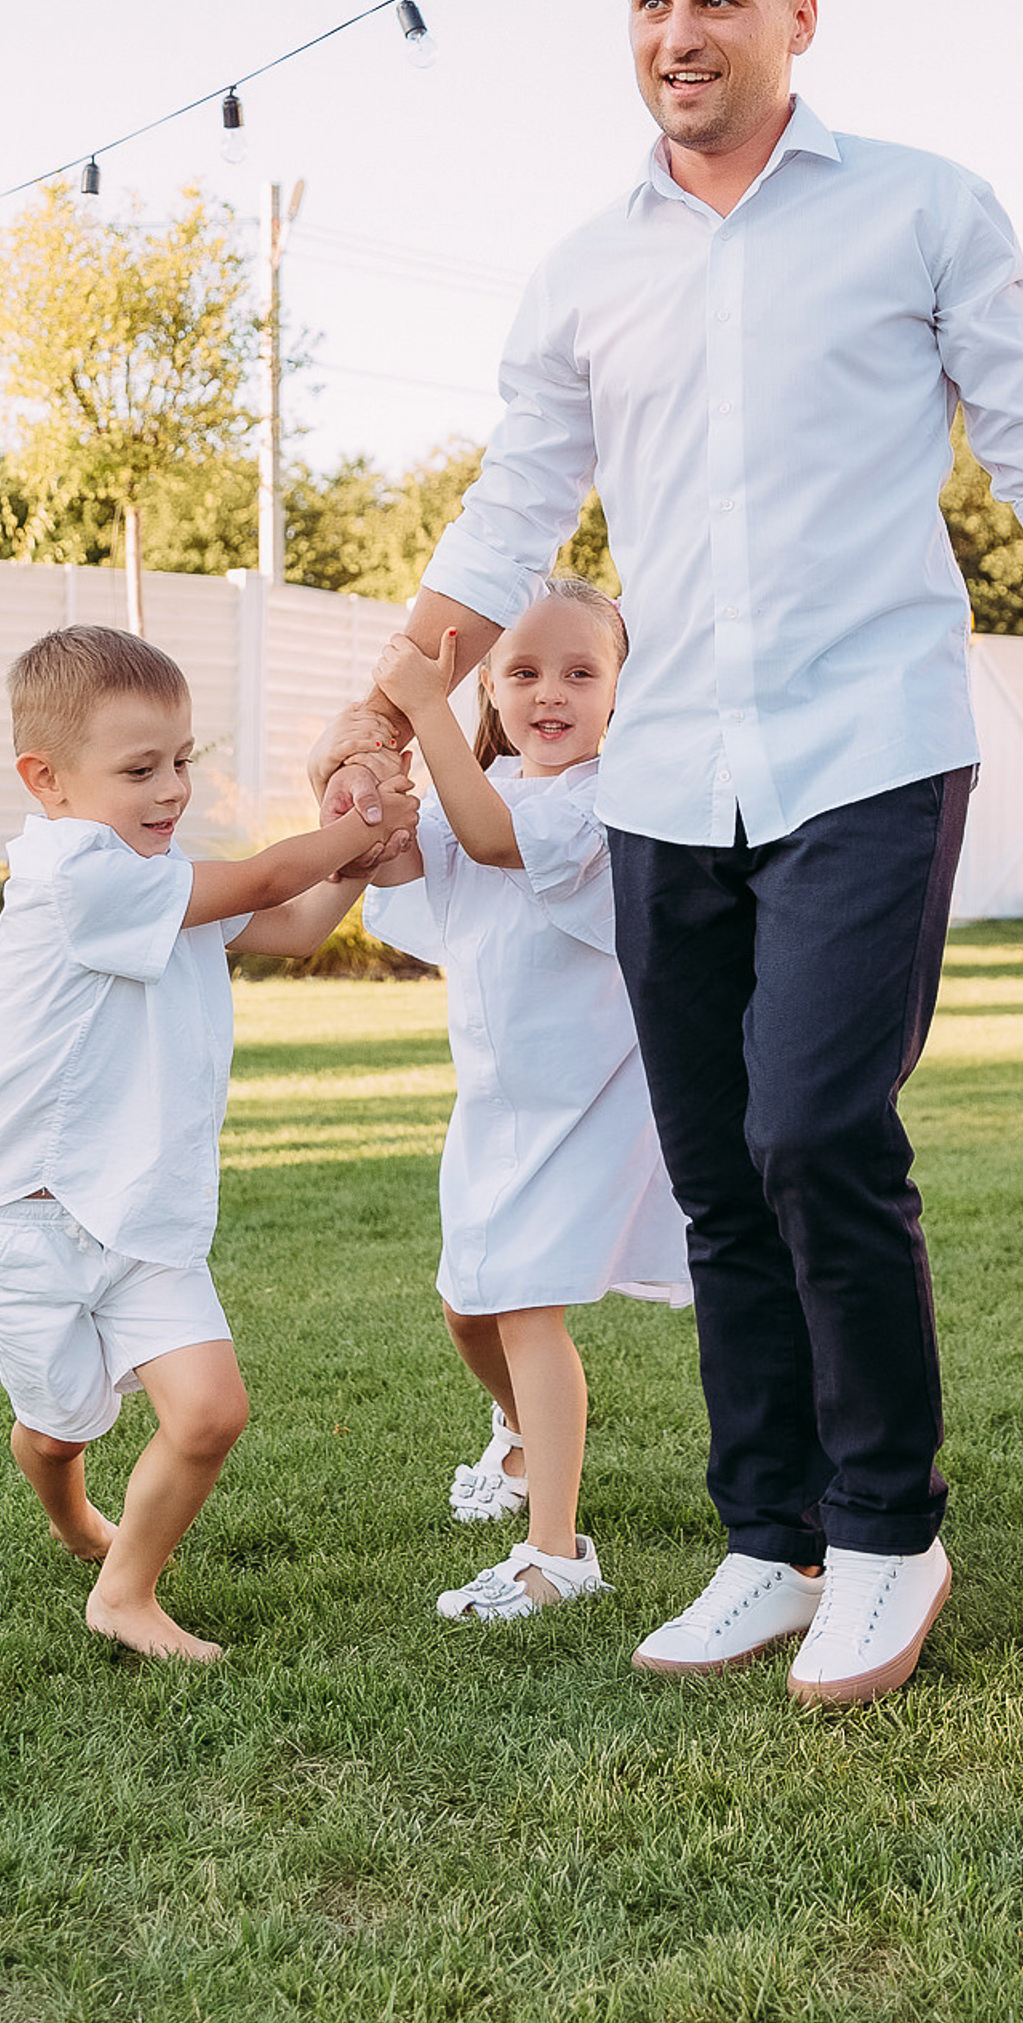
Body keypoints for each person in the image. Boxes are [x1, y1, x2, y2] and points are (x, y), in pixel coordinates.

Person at [311, 0, 1023, 1706]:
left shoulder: (920, 208)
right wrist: (385, 695)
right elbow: (513, 506)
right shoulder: (586, 268)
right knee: (715, 1173)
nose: (680, 34)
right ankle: (771, 1538)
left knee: (817, 1130)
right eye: (652, 2)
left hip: (870, 748)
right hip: (669, 779)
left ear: (797, 19)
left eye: (720, 1)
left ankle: (888, 1534)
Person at [0, 624, 417, 1663]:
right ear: (46, 780)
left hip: (138, 1214)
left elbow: (292, 925)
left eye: (182, 761)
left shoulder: (154, 875)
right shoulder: (77, 876)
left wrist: (360, 857)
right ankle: (70, 1505)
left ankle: (123, 1594)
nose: (171, 790)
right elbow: (263, 880)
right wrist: (353, 826)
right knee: (61, 1426)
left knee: (208, 1415)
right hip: (25, 1224)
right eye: (139, 769)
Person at [358, 578, 691, 1624]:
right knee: (467, 1305)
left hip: (588, 1103)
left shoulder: (606, 807)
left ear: (620, 692)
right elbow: (416, 869)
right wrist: (372, 789)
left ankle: (557, 1552)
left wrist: (421, 706)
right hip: (498, 1105)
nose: (552, 693)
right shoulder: (482, 790)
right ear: (492, 689)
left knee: (525, 1305)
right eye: (526, 671)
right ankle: (516, 1433)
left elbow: (496, 839)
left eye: (581, 673)